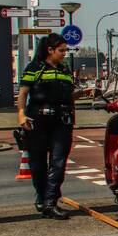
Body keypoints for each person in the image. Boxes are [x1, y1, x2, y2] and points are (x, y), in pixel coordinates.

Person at [17, 33, 77, 219]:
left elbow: (69, 96)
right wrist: (21, 114)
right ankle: (42, 197)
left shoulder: (65, 69)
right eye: (61, 50)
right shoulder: (34, 68)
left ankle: (50, 203)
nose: (64, 54)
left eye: (66, 50)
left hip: (61, 121)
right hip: (38, 120)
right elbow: (23, 93)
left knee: (58, 163)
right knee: (38, 164)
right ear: (50, 50)